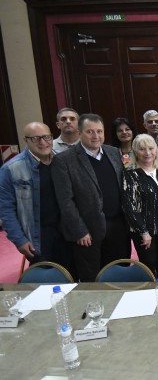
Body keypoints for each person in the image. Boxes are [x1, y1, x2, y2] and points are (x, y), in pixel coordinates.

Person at [53, 113, 130, 282]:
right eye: (90, 132)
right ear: (79, 133)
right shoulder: (64, 160)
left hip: (118, 224)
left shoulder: (113, 152)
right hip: (88, 230)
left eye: (99, 131)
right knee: (92, 277)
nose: (96, 136)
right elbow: (66, 201)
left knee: (120, 274)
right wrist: (79, 230)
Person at [0, 122, 73, 272]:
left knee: (71, 277)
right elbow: (6, 210)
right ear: (26, 140)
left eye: (46, 137)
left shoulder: (63, 161)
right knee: (46, 282)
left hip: (67, 233)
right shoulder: (11, 169)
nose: (43, 142)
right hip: (37, 236)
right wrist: (19, 240)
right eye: (35, 138)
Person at [121, 134, 158, 280]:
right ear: (135, 152)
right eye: (142, 149)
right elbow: (129, 206)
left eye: (151, 148)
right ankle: (150, 296)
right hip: (142, 230)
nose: (147, 153)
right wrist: (143, 231)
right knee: (149, 264)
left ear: (156, 150)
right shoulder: (130, 174)